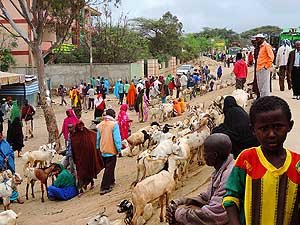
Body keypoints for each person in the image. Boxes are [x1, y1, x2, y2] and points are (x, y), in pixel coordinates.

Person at [223, 96, 300, 225]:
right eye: (264, 129)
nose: (271, 134)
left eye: (278, 127)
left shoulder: (297, 164)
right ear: (253, 130)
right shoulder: (246, 159)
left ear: (289, 126)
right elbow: (231, 197)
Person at [166, 133, 235, 225]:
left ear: (214, 155)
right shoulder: (220, 170)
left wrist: (178, 214)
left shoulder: (230, 176)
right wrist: (181, 202)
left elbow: (212, 215)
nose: (203, 156)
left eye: (205, 153)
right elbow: (207, 197)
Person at [71, 121, 103, 195]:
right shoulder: (74, 137)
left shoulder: (88, 133)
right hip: (79, 159)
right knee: (81, 173)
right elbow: (73, 149)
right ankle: (81, 188)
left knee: (89, 170)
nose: (81, 128)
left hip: (88, 157)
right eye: (79, 127)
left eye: (82, 126)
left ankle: (90, 183)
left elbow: (94, 138)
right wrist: (75, 158)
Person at [96, 109, 122, 195]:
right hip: (111, 150)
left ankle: (111, 181)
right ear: (113, 115)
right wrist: (119, 149)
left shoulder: (100, 125)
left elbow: (98, 138)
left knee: (109, 167)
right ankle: (104, 187)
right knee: (109, 168)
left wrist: (97, 147)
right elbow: (117, 139)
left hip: (103, 149)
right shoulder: (114, 125)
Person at [0, 132, 23, 204]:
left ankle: (17, 197)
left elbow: (10, 151)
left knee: (13, 182)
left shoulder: (5, 143)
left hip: (8, 166)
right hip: (1, 169)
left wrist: (7, 157)